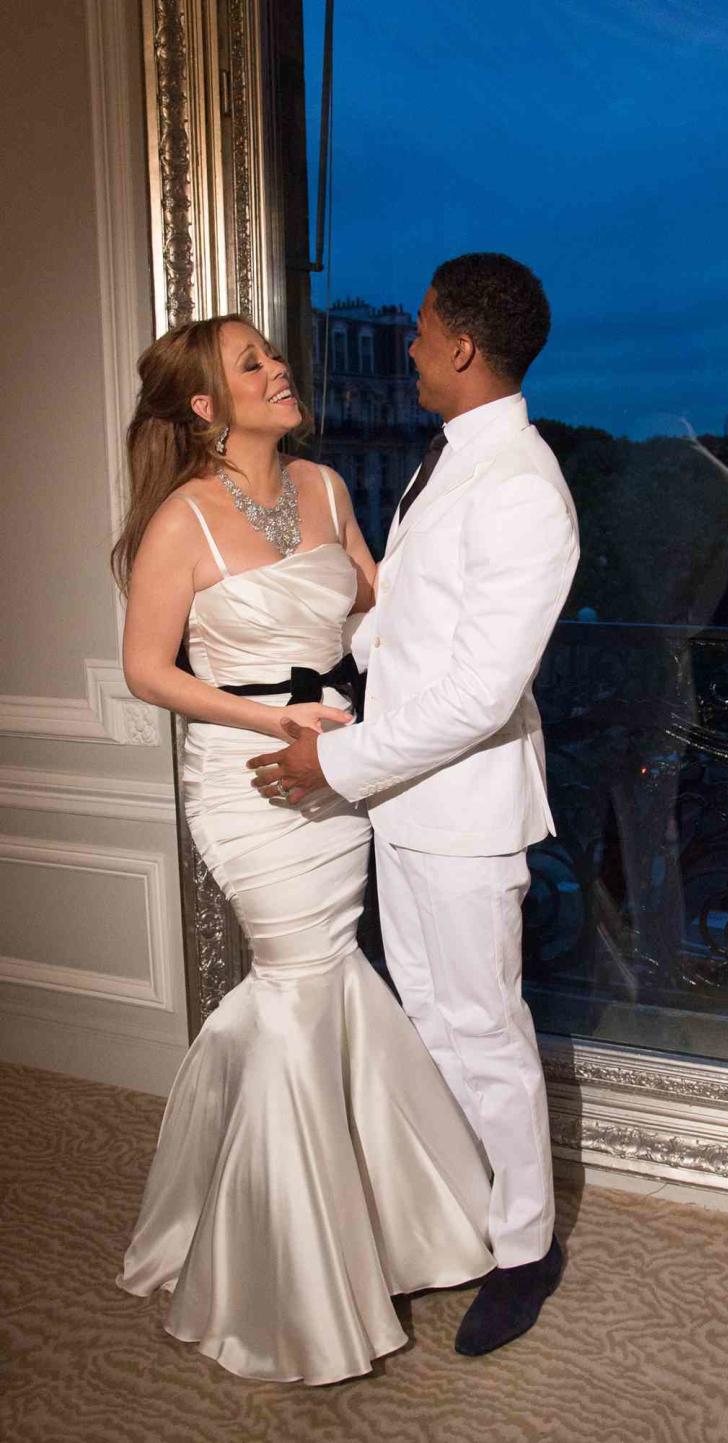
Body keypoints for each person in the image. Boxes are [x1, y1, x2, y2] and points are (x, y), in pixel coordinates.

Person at [113, 314, 494, 1386]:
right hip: (246, 780)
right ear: (204, 405)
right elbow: (149, 670)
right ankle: (282, 1271)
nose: (278, 370)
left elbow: (375, 610)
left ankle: (366, 1222)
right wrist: (268, 724)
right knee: (296, 982)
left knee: (326, 983)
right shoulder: (180, 518)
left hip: (338, 773)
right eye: (251, 364)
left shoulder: (325, 489)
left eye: (273, 355)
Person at [249, 253, 581, 1356]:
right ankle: (461, 1221)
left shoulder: (524, 486)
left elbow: (481, 695)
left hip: (465, 811)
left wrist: (334, 770)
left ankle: (527, 1248)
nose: (408, 345)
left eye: (422, 328)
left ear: (462, 349)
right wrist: (329, 664)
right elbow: (408, 628)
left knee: (482, 1033)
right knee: (433, 1026)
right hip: (407, 799)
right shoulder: (450, 462)